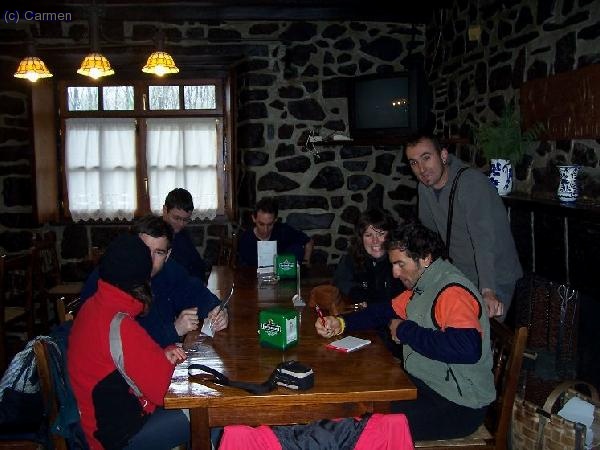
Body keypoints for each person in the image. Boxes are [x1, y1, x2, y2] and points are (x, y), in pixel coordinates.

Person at [315, 221, 495, 441]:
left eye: (400, 264)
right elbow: (382, 311)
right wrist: (340, 323)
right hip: (426, 386)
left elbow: (467, 348)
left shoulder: (451, 292)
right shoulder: (425, 285)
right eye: (392, 264)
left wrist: (405, 330)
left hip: (458, 405)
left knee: (365, 427)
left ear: (426, 258)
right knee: (358, 404)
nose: (395, 272)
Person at [68, 234, 189, 449]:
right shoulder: (120, 325)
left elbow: (119, 364)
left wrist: (162, 356)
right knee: (203, 413)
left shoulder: (92, 307)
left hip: (96, 423)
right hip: (116, 437)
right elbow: (165, 393)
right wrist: (174, 363)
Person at [404, 133, 522, 320]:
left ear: (443, 156)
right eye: (414, 163)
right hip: (460, 275)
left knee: (480, 340)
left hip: (494, 276)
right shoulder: (424, 188)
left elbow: (483, 241)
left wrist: (488, 291)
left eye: (426, 158)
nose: (421, 169)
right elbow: (428, 235)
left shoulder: (471, 183)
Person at [80, 215, 228, 347]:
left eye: (159, 252)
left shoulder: (169, 270)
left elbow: (198, 295)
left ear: (168, 255)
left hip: (160, 359)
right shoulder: (109, 276)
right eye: (144, 249)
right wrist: (173, 330)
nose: (149, 259)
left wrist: (218, 312)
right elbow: (115, 344)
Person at [333, 208, 404, 306]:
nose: (375, 241)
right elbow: (340, 280)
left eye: (381, 234)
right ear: (361, 238)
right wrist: (358, 294)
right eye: (368, 235)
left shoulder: (401, 259)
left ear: (390, 235)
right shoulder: (351, 258)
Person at [238, 197, 314, 267]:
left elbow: (309, 241)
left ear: (275, 220)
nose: (266, 230)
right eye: (261, 224)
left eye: (270, 224)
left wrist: (305, 264)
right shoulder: (245, 239)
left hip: (282, 279)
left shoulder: (283, 230)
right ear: (254, 218)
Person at [162, 187, 209, 284]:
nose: (181, 224)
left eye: (186, 220)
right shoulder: (155, 235)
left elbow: (197, 264)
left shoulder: (182, 234)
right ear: (165, 210)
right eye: (176, 218)